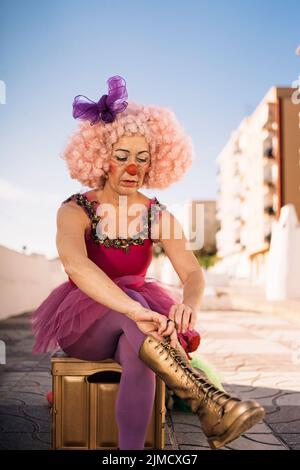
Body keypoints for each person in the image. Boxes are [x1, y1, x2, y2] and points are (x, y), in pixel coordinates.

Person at [31, 75, 265, 450]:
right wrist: (132, 308)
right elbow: (77, 266)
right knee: (136, 316)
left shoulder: (158, 215)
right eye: (121, 156)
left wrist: (189, 304)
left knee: (141, 355)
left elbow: (191, 271)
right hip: (84, 323)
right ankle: (206, 401)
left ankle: (132, 453)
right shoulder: (75, 210)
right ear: (100, 157)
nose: (132, 167)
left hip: (140, 325)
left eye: (142, 158)